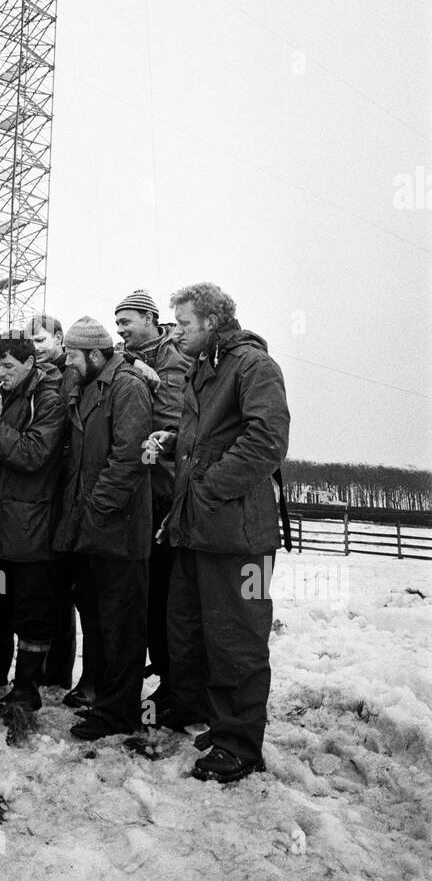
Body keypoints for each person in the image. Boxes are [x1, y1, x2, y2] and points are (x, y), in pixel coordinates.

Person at [143, 282, 290, 783]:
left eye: (182, 323)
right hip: (197, 531)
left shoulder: (253, 366)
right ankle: (209, 718)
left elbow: (266, 441)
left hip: (238, 537)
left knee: (237, 642)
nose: (175, 330)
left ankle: (240, 745)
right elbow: (205, 440)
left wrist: (206, 487)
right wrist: (170, 444)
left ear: (211, 321)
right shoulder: (203, 369)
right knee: (190, 632)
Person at [54, 317, 153, 739]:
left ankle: (120, 712)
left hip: (119, 530)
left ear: (96, 355)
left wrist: (96, 510)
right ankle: (107, 703)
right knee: (100, 621)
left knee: (122, 626)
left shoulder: (127, 387)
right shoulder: (89, 386)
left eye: (74, 356)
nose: (68, 363)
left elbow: (129, 458)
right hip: (94, 531)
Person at [0, 333, 67, 710]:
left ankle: (27, 688)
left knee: (31, 610)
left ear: (30, 365)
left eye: (9, 365)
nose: (1, 372)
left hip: (31, 531)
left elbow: (32, 454)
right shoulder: (6, 397)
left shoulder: (47, 401)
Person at [115, 287, 192, 712]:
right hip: (139, 493)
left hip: (166, 491)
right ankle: (161, 673)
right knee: (142, 595)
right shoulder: (126, 357)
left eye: (127, 320)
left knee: (167, 596)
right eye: (118, 322)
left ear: (150, 318)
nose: (120, 329)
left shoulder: (174, 356)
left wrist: (150, 378)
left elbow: (174, 419)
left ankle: (174, 682)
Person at [22, 313, 78, 691]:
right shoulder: (35, 376)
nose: (36, 349)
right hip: (44, 492)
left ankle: (57, 673)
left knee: (64, 591)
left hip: (66, 489)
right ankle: (44, 672)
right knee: (50, 588)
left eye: (41, 341)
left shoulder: (71, 371)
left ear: (59, 339)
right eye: (31, 344)